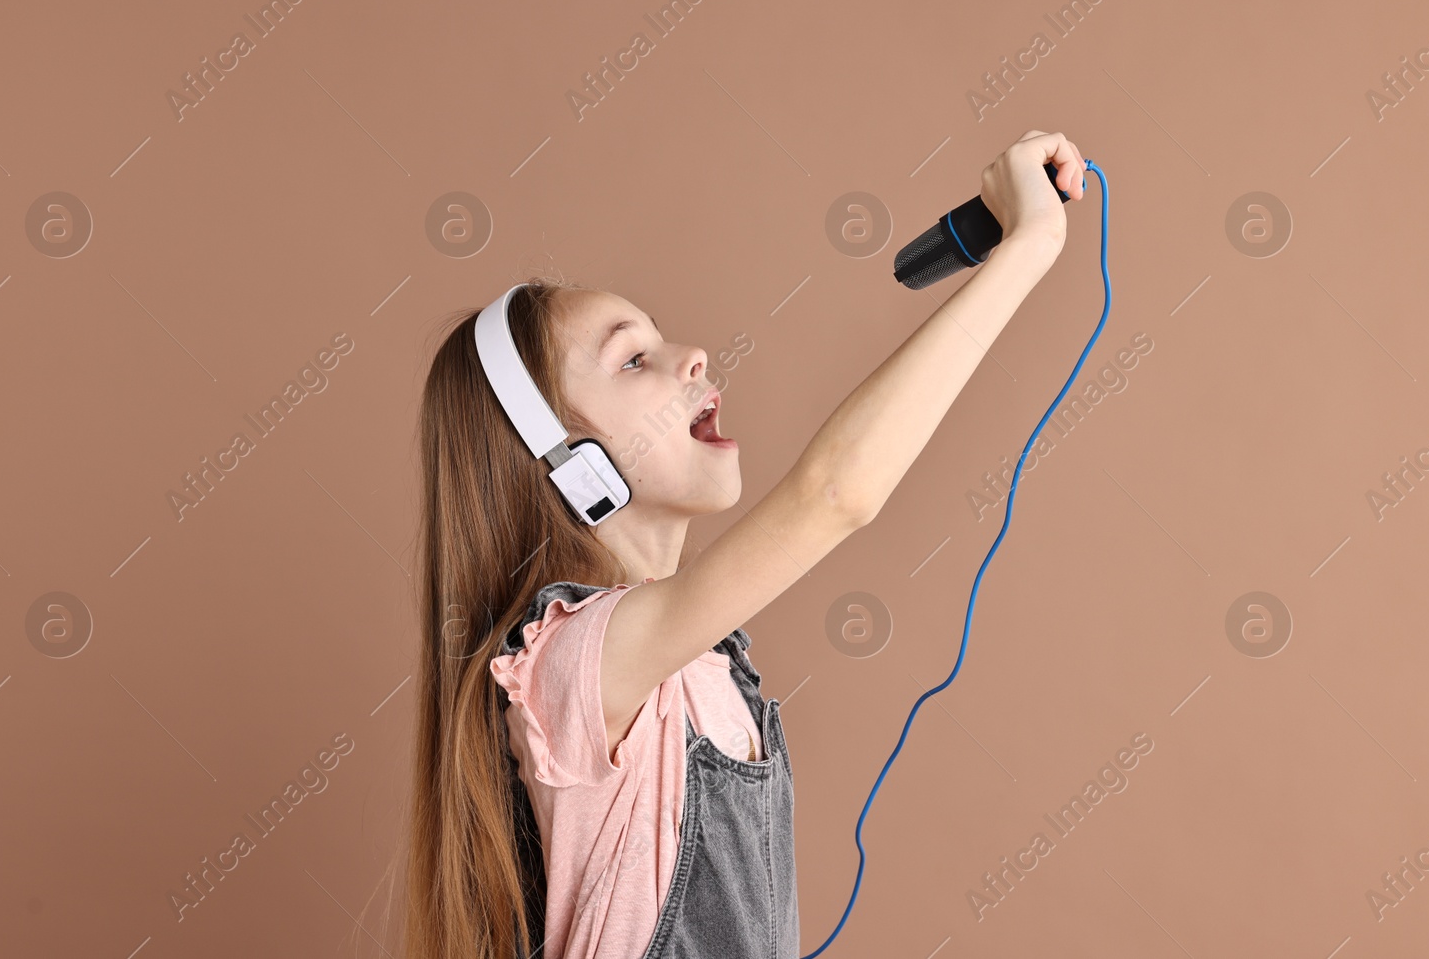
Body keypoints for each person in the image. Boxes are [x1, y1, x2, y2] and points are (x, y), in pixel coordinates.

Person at [371, 130, 1086, 959]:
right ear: (570, 467)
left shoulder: (702, 666)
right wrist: (1029, 245)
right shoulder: (569, 664)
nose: (693, 355)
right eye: (633, 358)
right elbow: (835, 494)